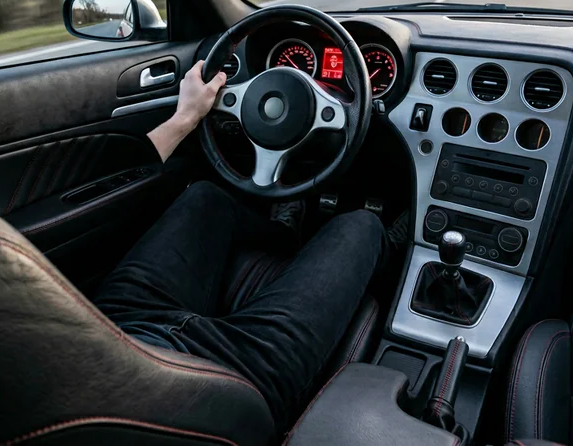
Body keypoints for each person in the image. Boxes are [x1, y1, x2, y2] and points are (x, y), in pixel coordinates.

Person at [92, 60, 384, 431]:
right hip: (207, 392)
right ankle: (391, 244)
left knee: (206, 197)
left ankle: (283, 233)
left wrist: (187, 116)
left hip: (115, 333)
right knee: (361, 225)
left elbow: (118, 181)